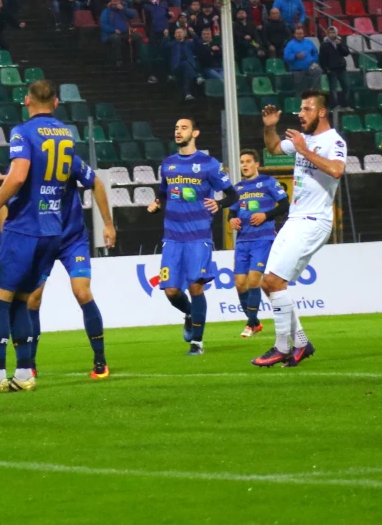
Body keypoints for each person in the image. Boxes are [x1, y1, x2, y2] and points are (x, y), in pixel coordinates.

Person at [0, 80, 75, 394]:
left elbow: (19, 176)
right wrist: (13, 177)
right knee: (21, 302)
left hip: (24, 228)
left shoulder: (22, 132)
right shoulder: (66, 133)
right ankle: (24, 373)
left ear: (27, 101)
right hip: (52, 230)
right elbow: (47, 173)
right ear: (55, 103)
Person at [0, 139, 116, 379]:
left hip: (72, 239)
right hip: (41, 238)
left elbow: (96, 183)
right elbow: (5, 201)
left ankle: (100, 360)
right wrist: (8, 237)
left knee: (82, 292)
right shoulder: (20, 167)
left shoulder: (68, 162)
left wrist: (108, 224)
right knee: (32, 299)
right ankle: (30, 364)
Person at [255, 94, 346, 367]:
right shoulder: (301, 139)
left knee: (274, 282)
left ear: (322, 112)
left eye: (307, 108)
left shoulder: (334, 141)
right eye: (300, 108)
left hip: (314, 221)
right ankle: (301, 343)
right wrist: (270, 127)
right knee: (268, 284)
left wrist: (304, 150)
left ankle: (282, 347)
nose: (301, 113)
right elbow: (273, 148)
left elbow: (337, 170)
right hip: (295, 219)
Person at [146, 117, 238, 355]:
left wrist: (219, 204)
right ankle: (189, 313)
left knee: (196, 287)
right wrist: (157, 203)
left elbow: (233, 195)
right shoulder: (168, 164)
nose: (178, 131)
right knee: (171, 291)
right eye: (176, 127)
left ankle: (197, 342)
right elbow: (163, 193)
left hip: (198, 236)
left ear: (195, 133)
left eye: (184, 128)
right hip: (172, 237)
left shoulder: (209, 164)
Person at [228, 149, 289, 338]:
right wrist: (232, 220)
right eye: (242, 162)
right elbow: (232, 213)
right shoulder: (237, 188)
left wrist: (265, 215)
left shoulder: (268, 182)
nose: (244, 165)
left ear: (257, 164)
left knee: (254, 280)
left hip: (262, 239)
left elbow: (285, 205)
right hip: (242, 240)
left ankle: (249, 325)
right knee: (240, 284)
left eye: (248, 161)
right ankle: (255, 323)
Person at [318, 26, 351, 110]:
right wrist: (326, 69)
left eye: (333, 33)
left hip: (341, 68)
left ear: (336, 33)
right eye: (330, 33)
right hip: (331, 69)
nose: (332, 34)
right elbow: (322, 59)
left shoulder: (340, 42)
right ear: (327, 34)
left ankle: (345, 105)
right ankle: (335, 106)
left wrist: (339, 45)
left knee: (346, 86)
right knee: (333, 89)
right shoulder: (324, 45)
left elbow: (346, 53)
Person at [283, 26, 321, 93]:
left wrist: (314, 60)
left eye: (301, 33)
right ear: (294, 34)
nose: (299, 35)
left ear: (303, 34)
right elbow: (286, 57)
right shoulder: (290, 44)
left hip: (310, 66)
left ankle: (314, 90)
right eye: (297, 34)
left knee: (318, 70)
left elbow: (315, 52)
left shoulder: (308, 42)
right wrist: (295, 56)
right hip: (297, 69)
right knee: (300, 89)